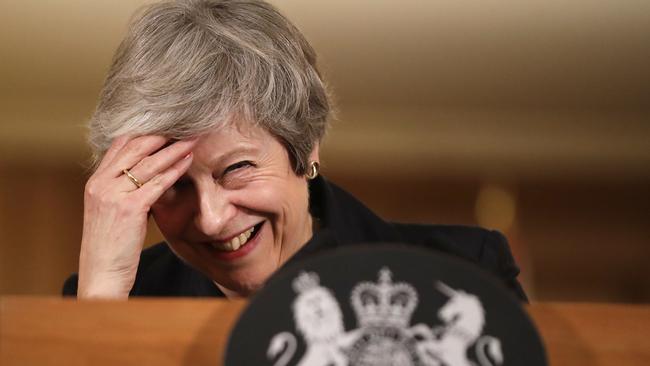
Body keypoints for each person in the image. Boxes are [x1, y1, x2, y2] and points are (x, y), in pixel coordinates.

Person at [63, 0, 526, 301]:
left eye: (237, 168)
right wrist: (101, 292)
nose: (210, 218)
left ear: (305, 149)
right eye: (172, 186)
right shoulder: (107, 298)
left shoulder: (466, 274)